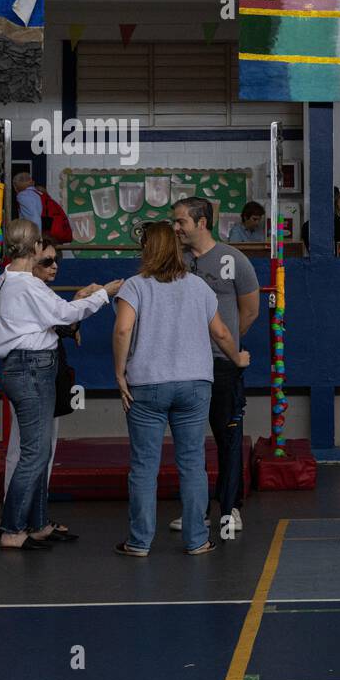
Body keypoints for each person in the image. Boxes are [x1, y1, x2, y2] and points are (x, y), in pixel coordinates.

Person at [112, 223, 250, 556]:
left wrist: (119, 374)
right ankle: (197, 540)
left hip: (147, 385)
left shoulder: (135, 286)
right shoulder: (199, 286)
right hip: (194, 384)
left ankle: (139, 542)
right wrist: (238, 358)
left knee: (144, 466)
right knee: (192, 462)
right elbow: (220, 333)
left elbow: (122, 330)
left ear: (147, 249)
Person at [0, 219, 119, 550]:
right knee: (35, 453)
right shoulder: (27, 286)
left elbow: (2, 316)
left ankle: (36, 523)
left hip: (20, 366)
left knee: (38, 449)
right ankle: (13, 527)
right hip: (32, 368)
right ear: (34, 248)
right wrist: (104, 294)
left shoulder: (3, 282)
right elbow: (63, 314)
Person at [171, 197, 260, 538]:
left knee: (228, 438)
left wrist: (225, 343)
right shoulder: (174, 261)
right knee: (190, 441)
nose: (176, 228)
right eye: (175, 222)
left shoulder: (232, 259)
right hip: (184, 366)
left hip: (222, 364)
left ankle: (230, 508)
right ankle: (197, 512)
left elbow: (249, 311)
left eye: (181, 222)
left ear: (202, 222)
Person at [3, 237, 80, 514]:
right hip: (33, 374)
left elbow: (62, 324)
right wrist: (90, 299)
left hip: (47, 373)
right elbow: (60, 322)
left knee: (41, 449)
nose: (54, 266)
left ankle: (35, 517)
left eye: (56, 260)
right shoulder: (24, 292)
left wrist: (74, 314)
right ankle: (15, 516)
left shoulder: (36, 293)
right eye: (46, 261)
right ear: (30, 263)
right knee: (27, 451)